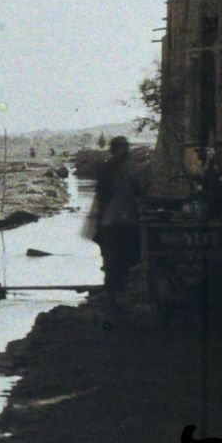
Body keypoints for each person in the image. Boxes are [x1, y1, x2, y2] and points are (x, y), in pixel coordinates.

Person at [88, 135, 145, 317]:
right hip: (116, 222)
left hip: (116, 222)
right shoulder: (119, 168)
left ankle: (114, 299)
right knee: (116, 261)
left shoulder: (115, 168)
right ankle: (112, 301)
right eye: (122, 148)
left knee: (117, 261)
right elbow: (140, 188)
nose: (124, 151)